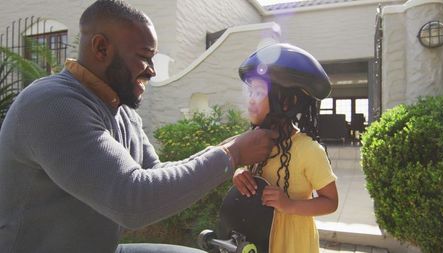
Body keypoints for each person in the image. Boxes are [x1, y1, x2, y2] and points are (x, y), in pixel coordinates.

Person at [0, 1, 277, 253]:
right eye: (145, 56)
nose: (152, 70)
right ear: (101, 48)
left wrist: (223, 149)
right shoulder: (53, 105)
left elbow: (153, 174)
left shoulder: (121, 109)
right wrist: (232, 156)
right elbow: (133, 200)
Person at [233, 43, 339, 253]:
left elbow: (331, 202)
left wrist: (289, 205)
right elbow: (249, 171)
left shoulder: (309, 150)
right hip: (258, 237)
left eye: (259, 91)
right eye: (250, 91)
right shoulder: (254, 141)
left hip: (293, 244)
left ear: (288, 102)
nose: (251, 99)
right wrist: (239, 173)